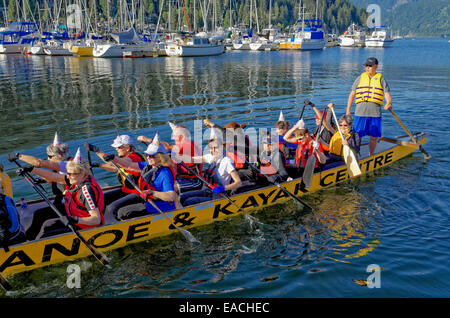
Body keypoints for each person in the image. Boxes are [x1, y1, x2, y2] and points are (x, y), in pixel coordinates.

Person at [17, 149, 104, 239]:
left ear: (82, 174)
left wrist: (75, 219)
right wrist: (31, 169)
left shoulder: (86, 191)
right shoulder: (76, 179)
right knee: (40, 215)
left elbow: (96, 219)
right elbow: (53, 177)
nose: (68, 176)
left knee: (47, 234)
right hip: (74, 214)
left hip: (85, 227)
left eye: (71, 174)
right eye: (68, 173)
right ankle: (26, 240)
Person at [101, 135, 177, 220]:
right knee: (121, 211)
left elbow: (171, 196)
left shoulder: (165, 173)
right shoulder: (148, 165)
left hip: (160, 209)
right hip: (149, 203)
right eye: (147, 154)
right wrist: (114, 158)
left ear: (160, 157)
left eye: (151, 155)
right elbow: (128, 165)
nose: (148, 157)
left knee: (123, 213)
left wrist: (153, 193)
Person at [86, 135, 146, 223]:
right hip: (126, 191)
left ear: (128, 148)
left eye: (118, 147)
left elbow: (120, 164)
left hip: (139, 193)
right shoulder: (124, 158)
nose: (116, 149)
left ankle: (110, 226)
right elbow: (115, 168)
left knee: (111, 208)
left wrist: (97, 151)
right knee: (100, 198)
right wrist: (98, 165)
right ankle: (95, 221)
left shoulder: (134, 157)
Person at [346, 57, 392, 155]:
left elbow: (386, 93)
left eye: (370, 66)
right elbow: (352, 94)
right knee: (357, 135)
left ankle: (371, 154)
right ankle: (354, 154)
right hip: (360, 112)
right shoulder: (360, 78)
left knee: (374, 136)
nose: (367, 68)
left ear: (376, 67)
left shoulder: (381, 79)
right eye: (366, 65)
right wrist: (348, 110)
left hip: (375, 113)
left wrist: (389, 103)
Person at [138, 125, 203, 193]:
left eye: (176, 136)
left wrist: (148, 140)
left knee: (167, 188)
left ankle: (171, 201)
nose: (174, 139)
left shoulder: (190, 145)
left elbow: (167, 146)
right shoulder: (178, 149)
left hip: (194, 181)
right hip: (181, 177)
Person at [180, 138, 242, 206]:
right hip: (210, 190)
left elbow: (238, 183)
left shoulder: (227, 161)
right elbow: (191, 159)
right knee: (183, 197)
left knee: (189, 202)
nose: (213, 150)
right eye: (211, 148)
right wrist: (176, 155)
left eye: (216, 148)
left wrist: (223, 188)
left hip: (221, 194)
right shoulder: (210, 157)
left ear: (221, 148)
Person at [203, 119, 258, 183]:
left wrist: (211, 124)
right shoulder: (234, 141)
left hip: (247, 171)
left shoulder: (241, 138)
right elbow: (218, 137)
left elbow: (223, 133)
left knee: (226, 177)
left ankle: (230, 190)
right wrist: (211, 127)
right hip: (237, 169)